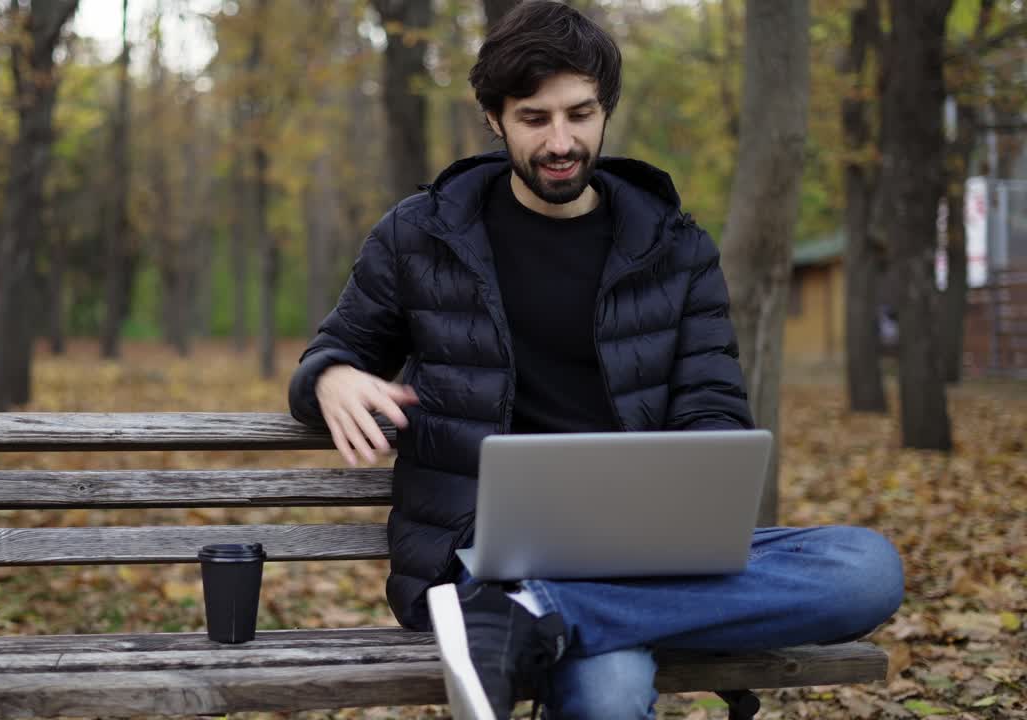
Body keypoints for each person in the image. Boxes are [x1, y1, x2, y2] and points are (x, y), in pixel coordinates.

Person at [287, 2, 904, 718]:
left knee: (868, 570)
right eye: (534, 118)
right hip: (481, 547)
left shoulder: (675, 249)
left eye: (580, 114)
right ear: (493, 117)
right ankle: (530, 605)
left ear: (606, 108)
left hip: (637, 550)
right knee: (607, 692)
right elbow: (332, 353)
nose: (561, 141)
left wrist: (686, 512)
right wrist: (329, 375)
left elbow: (713, 409)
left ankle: (532, 615)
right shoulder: (422, 235)